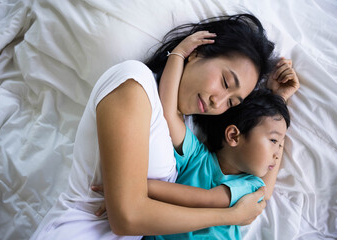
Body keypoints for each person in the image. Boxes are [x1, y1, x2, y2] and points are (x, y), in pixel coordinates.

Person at [31, 14, 298, 240]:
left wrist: (276, 103)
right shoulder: (134, 84)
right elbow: (126, 217)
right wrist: (230, 215)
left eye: (233, 101)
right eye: (225, 82)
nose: (219, 101)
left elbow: (258, 184)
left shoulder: (190, 133)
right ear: (197, 52)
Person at [142, 89, 290, 240]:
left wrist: (143, 187)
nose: (277, 154)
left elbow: (206, 199)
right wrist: (177, 63)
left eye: (280, 145)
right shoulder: (196, 155)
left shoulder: (250, 186)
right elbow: (169, 111)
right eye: (273, 141)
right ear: (233, 136)